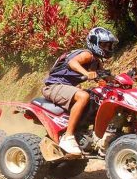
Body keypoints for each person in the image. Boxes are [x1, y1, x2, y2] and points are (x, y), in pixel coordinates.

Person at [42, 27, 118, 155]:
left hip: (66, 88)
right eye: (104, 45)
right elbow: (73, 63)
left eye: (109, 45)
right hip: (54, 86)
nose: (107, 48)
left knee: (98, 96)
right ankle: (68, 137)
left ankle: (95, 138)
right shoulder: (87, 54)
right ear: (95, 43)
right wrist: (86, 73)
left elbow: (106, 78)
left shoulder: (97, 62)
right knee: (83, 96)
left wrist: (120, 80)